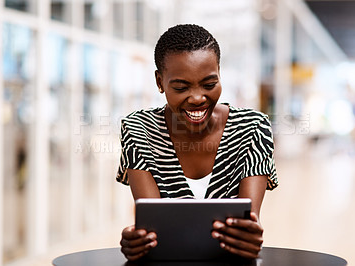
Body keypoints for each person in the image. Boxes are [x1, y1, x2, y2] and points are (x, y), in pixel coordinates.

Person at [116, 24, 278, 261]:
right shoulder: (139, 130)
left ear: (220, 73)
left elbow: (249, 223)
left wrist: (250, 238)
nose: (198, 98)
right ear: (160, 82)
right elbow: (153, 229)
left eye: (209, 84)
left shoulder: (253, 128)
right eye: (181, 87)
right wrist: (139, 241)